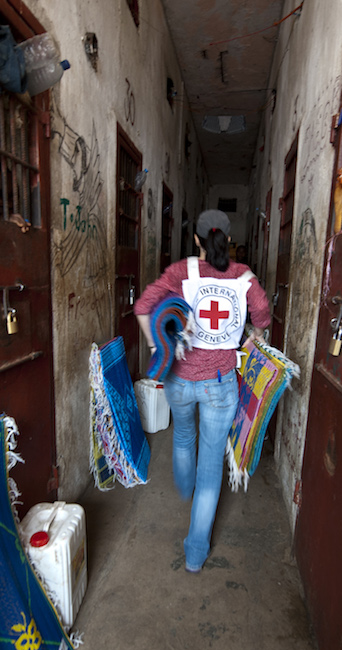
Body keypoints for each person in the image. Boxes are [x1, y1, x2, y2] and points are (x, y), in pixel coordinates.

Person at [134, 209, 271, 573]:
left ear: (196, 239)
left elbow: (143, 306)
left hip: (179, 377)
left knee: (183, 434)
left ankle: (184, 487)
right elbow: (262, 313)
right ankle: (195, 554)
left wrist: (155, 347)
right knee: (211, 464)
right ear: (227, 240)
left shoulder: (182, 272)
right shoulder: (243, 275)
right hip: (220, 384)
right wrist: (253, 336)